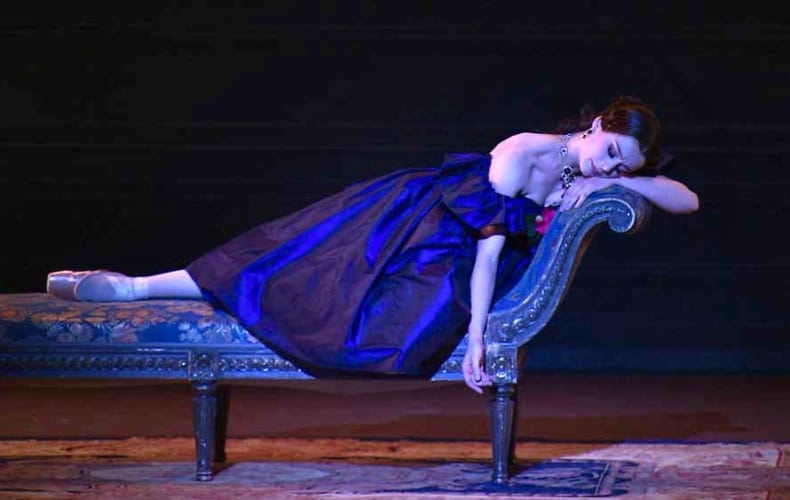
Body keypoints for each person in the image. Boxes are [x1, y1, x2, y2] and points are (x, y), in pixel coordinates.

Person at [46, 96, 699, 394]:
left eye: (622, 166)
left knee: (307, 287)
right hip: (413, 224)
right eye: (609, 152)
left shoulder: (587, 173)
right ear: (594, 124)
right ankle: (133, 286)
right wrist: (476, 341)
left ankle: (140, 284)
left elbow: (686, 199)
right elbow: (487, 255)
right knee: (283, 264)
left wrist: (622, 179)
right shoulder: (523, 155)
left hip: (449, 253)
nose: (608, 168)